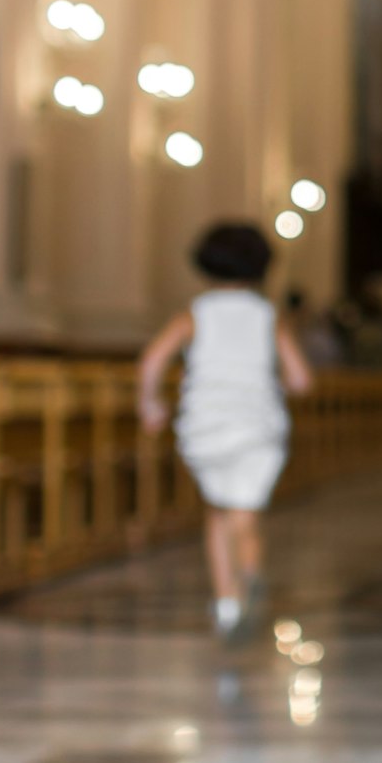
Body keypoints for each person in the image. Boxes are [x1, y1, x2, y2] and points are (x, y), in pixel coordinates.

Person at [138, 221, 313, 639]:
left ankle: (226, 604)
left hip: (205, 425)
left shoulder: (193, 314)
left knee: (217, 509)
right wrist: (283, 382)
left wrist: (150, 402)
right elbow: (302, 380)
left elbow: (152, 361)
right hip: (256, 424)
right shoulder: (270, 317)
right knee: (244, 512)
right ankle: (250, 572)